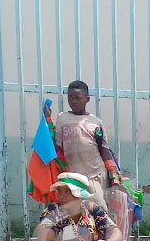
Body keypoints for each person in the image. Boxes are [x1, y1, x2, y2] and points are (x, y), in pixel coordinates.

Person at [51, 80, 120, 210]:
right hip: (72, 174)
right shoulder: (62, 118)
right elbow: (57, 146)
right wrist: (47, 121)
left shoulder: (95, 122)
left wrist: (113, 171)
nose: (74, 101)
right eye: (70, 98)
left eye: (78, 98)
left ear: (87, 99)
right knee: (75, 210)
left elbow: (104, 149)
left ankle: (107, 230)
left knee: (98, 208)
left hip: (94, 173)